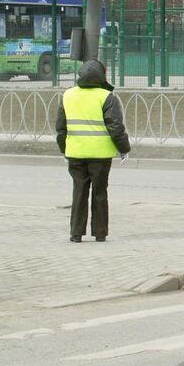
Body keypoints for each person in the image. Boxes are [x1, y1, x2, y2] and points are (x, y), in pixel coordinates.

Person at [55, 59, 131, 243]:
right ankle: (100, 233)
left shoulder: (68, 95)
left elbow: (60, 128)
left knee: (79, 191)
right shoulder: (106, 97)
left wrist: (64, 150)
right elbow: (115, 127)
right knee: (99, 193)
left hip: (76, 153)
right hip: (100, 155)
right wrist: (124, 148)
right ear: (101, 77)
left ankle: (76, 233)